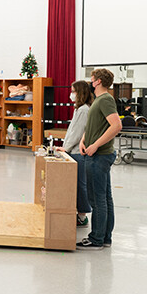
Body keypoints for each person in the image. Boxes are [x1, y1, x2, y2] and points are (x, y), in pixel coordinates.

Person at [76, 69, 122, 250]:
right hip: (95, 154)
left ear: (98, 81)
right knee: (104, 198)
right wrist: (83, 140)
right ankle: (104, 238)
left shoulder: (106, 100)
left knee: (97, 200)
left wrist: (95, 145)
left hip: (99, 156)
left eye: (92, 79)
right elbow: (94, 125)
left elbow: (116, 125)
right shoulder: (99, 101)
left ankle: (96, 238)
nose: (90, 81)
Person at [56, 81, 94, 228]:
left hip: (78, 152)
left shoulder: (84, 110)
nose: (71, 94)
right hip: (72, 151)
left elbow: (78, 132)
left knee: (80, 184)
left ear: (80, 92)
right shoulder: (78, 109)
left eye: (73, 91)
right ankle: (78, 212)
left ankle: (82, 215)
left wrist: (66, 147)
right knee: (75, 184)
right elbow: (72, 130)